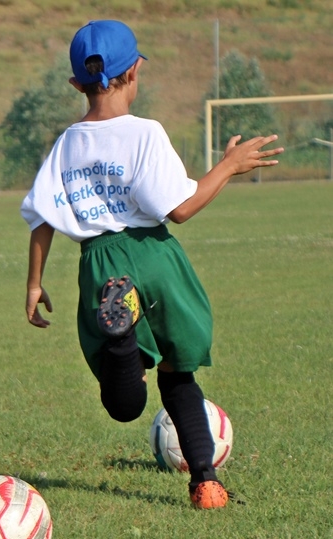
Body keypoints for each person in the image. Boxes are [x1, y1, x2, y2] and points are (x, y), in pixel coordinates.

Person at [20, 20, 283, 509]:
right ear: (134, 72)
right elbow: (179, 209)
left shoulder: (67, 143)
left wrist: (34, 283)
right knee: (179, 374)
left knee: (124, 404)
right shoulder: (145, 133)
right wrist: (228, 167)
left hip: (102, 266)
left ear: (76, 84)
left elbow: (41, 217)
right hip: (155, 257)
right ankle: (205, 483)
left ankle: (122, 341)